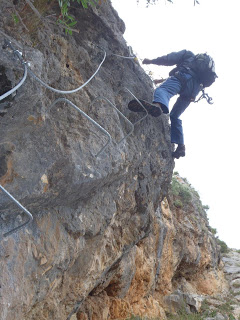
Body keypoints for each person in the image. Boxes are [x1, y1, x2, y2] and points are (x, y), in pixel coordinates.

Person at [128, 50, 217, 159]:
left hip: (182, 79)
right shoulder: (198, 70)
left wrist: (151, 61)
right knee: (175, 116)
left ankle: (158, 106)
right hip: (193, 92)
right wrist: (160, 80)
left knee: (163, 91)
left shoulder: (188, 55)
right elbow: (189, 78)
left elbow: (168, 59)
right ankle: (181, 146)